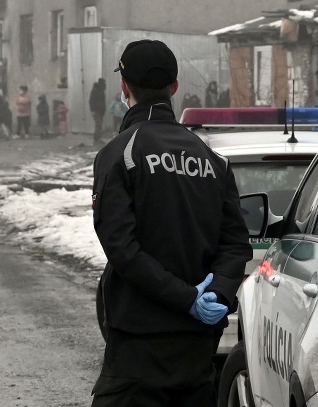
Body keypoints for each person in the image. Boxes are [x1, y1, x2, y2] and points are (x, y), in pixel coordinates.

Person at [91, 39, 251, 406]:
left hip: (138, 343)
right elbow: (235, 243)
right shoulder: (212, 159)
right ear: (175, 88)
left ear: (124, 87)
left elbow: (121, 248)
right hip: (198, 347)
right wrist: (218, 294)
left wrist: (186, 298)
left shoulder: (119, 154)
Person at [89, 78, 106, 144]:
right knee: (98, 124)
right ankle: (96, 139)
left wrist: (104, 110)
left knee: (99, 125)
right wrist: (92, 110)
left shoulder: (101, 90)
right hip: (96, 110)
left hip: (101, 110)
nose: (105, 84)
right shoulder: (95, 90)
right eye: (104, 83)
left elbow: (102, 101)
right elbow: (91, 100)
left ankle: (98, 138)